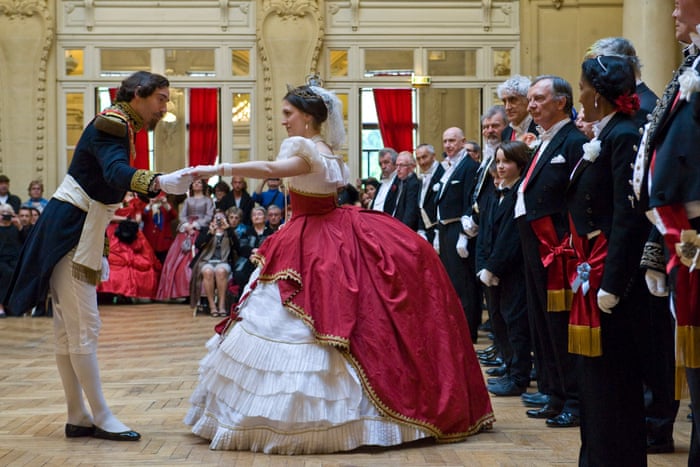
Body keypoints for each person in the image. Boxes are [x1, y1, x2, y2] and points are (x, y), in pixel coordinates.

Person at [184, 77, 494, 453]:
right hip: (326, 229)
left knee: (322, 312)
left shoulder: (304, 148)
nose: (283, 120)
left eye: (288, 113)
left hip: (315, 235)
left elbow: (269, 166)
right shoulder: (326, 149)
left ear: (308, 117)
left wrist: (213, 167)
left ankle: (321, 418)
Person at [3, 71, 192, 441]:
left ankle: (78, 414)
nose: (165, 107)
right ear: (139, 94)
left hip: (74, 226)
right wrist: (157, 181)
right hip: (72, 229)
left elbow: (105, 184)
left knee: (69, 330)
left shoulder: (121, 123)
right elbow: (114, 171)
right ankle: (100, 415)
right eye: (161, 99)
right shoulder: (114, 124)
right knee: (83, 327)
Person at [569, 55, 649, 465]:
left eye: (582, 87)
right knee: (595, 385)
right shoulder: (609, 132)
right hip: (593, 270)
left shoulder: (623, 135)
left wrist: (612, 284)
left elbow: (627, 218)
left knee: (613, 385)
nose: (579, 94)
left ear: (597, 95)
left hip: (612, 282)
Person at [634, 2, 700, 464]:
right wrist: (658, 249)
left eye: (681, 2)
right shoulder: (690, 66)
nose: (673, 10)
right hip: (684, 236)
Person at [516, 75, 586, 428]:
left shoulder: (574, 141)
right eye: (530, 99)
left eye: (538, 99)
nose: (531, 105)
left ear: (561, 102)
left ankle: (574, 399)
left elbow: (577, 197)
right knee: (542, 324)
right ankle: (555, 393)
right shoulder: (543, 140)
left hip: (558, 248)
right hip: (535, 245)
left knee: (560, 326)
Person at [477, 141, 531, 397]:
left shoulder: (520, 192)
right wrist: (482, 267)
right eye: (498, 161)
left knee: (515, 324)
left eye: (506, 162)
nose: (500, 167)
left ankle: (519, 376)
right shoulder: (493, 194)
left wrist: (494, 268)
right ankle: (509, 367)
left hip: (511, 272)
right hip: (490, 271)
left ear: (519, 164)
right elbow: (484, 234)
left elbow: (511, 238)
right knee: (498, 321)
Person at [435, 127, 481, 343]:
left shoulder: (470, 166)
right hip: (445, 230)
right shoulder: (449, 167)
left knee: (464, 284)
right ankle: (458, 328)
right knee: (452, 282)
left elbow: (470, 200)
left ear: (463, 142)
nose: (448, 145)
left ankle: (468, 332)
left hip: (459, 230)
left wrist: (464, 234)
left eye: (452, 141)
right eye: (445, 141)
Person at [156, 178, 214, 301]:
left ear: (203, 186)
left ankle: (198, 293)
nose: (196, 184)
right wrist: (187, 225)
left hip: (200, 232)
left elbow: (208, 217)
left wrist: (195, 225)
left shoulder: (208, 201)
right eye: (194, 183)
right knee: (178, 264)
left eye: (199, 182)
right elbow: (182, 216)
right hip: (185, 232)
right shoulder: (188, 200)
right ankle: (183, 292)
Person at [97, 192, 162, 301]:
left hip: (131, 232)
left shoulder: (134, 200)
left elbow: (138, 218)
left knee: (137, 259)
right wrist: (125, 219)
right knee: (113, 260)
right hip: (115, 232)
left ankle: (127, 294)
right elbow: (108, 216)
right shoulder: (115, 198)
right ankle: (112, 293)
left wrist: (133, 220)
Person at [189, 211, 241, 317]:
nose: (219, 221)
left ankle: (221, 305)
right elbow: (198, 245)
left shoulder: (229, 231)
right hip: (206, 261)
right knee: (208, 272)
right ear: (212, 220)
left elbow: (237, 248)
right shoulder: (206, 230)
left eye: (221, 218)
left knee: (220, 271)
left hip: (223, 261)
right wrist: (210, 234)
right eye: (217, 218)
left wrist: (228, 230)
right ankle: (212, 306)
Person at [415, 143, 445, 244]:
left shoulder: (443, 173)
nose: (421, 162)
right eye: (418, 159)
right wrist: (421, 230)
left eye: (424, 157)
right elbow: (421, 205)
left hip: (440, 232)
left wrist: (438, 232)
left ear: (433, 156)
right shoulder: (422, 178)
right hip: (426, 233)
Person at [498, 75, 539, 143]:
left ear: (528, 100)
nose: (507, 107)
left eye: (513, 100)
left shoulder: (541, 128)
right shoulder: (505, 132)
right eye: (504, 101)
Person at [141, 192, 179, 265]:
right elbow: (142, 216)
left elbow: (173, 215)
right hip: (149, 239)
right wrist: (150, 205)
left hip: (163, 239)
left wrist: (165, 203)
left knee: (163, 261)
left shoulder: (166, 207)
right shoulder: (146, 206)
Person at [0, 204, 23, 318]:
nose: (5, 216)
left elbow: (25, 241)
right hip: (1, 259)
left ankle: (12, 305)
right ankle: (1, 306)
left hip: (15, 259)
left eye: (8, 214)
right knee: (8, 273)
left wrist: (20, 226)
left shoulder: (16, 228)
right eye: (2, 213)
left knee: (18, 272)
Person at [391, 151, 420, 230]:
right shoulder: (398, 181)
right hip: (394, 223)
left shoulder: (413, 184)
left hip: (404, 228)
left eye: (401, 165)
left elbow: (410, 213)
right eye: (397, 165)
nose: (398, 169)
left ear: (411, 167)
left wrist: (402, 231)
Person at [370, 147, 399, 212]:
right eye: (380, 164)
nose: (383, 167)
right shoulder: (381, 182)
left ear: (395, 163)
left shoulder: (400, 181)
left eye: (386, 162)